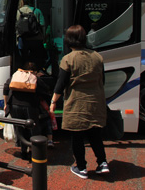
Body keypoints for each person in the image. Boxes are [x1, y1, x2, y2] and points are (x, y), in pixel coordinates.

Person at [50, 25, 109, 179]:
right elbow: (103, 80)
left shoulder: (68, 59)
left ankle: (81, 167)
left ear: (68, 40)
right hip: (96, 101)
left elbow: (60, 83)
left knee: (77, 136)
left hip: (77, 102)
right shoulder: (97, 56)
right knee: (95, 134)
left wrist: (53, 102)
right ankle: (102, 163)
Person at [3, 61, 42, 161]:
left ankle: (23, 151)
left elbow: (5, 88)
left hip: (14, 106)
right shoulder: (35, 77)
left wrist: (5, 104)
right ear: (34, 71)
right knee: (33, 129)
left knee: (20, 129)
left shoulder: (15, 75)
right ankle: (34, 151)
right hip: (30, 106)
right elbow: (45, 90)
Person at [16, 0, 47, 69]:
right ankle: (36, 72)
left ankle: (24, 72)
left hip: (23, 39)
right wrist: (44, 38)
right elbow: (43, 25)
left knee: (23, 58)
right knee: (37, 58)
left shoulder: (18, 12)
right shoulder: (37, 11)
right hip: (36, 39)